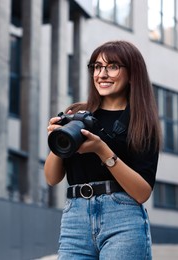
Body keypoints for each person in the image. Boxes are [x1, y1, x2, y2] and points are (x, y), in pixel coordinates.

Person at [44, 40, 161, 259]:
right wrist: (57, 140)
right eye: (97, 67)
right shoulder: (77, 113)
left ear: (132, 73)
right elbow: (51, 178)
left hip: (123, 218)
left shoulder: (142, 123)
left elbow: (142, 192)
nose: (102, 74)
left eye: (113, 67)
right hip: (75, 219)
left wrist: (102, 150)